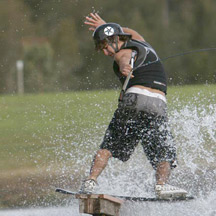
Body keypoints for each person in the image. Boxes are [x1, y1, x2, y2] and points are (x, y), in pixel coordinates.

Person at [80, 13, 188, 199]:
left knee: (109, 145)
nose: (106, 53)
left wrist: (124, 67)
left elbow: (124, 57)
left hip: (134, 100)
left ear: (117, 39)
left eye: (106, 46)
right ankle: (161, 185)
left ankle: (91, 180)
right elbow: (130, 33)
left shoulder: (122, 52)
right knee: (164, 150)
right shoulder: (142, 42)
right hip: (157, 104)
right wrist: (107, 27)